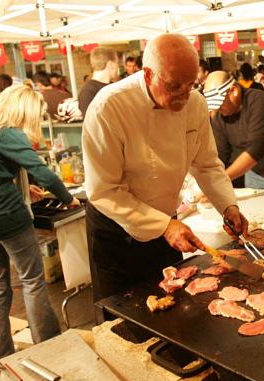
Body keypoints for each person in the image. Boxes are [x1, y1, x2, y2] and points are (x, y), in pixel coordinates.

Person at [82, 34, 248, 303]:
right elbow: (104, 190)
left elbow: (206, 164)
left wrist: (229, 207)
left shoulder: (194, 102)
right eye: (174, 86)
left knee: (180, 309)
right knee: (124, 319)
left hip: (167, 224)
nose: (184, 95)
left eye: (191, 84)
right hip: (118, 233)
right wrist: (164, 226)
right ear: (147, 75)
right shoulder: (109, 107)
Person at [0, 85, 80, 363]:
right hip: (8, 218)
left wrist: (25, 189)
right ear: (24, 109)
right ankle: (48, 344)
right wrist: (68, 198)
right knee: (32, 281)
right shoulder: (5, 131)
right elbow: (44, 173)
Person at [78, 47, 119, 116]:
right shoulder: (88, 91)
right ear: (110, 64)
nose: (118, 66)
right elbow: (92, 123)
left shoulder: (114, 86)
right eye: (117, 63)